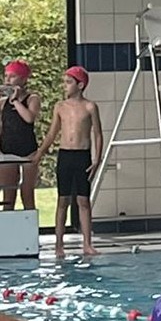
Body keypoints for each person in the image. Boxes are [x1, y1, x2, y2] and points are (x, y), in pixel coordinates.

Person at [32, 66, 102, 257]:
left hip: (82, 156)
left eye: (69, 82)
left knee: (83, 201)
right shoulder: (60, 107)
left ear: (80, 85)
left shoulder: (90, 107)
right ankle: (58, 246)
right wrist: (40, 153)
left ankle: (87, 244)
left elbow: (97, 133)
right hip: (65, 155)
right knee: (62, 201)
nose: (65, 86)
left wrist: (98, 159)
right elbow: (52, 133)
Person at [0, 60, 41, 212]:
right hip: (7, 151)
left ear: (24, 79)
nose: (8, 80)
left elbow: (29, 118)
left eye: (13, 76)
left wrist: (16, 100)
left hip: (28, 152)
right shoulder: (3, 103)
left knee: (27, 194)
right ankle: (6, 233)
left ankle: (30, 233)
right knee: (8, 197)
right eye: (6, 76)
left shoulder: (32, 99)